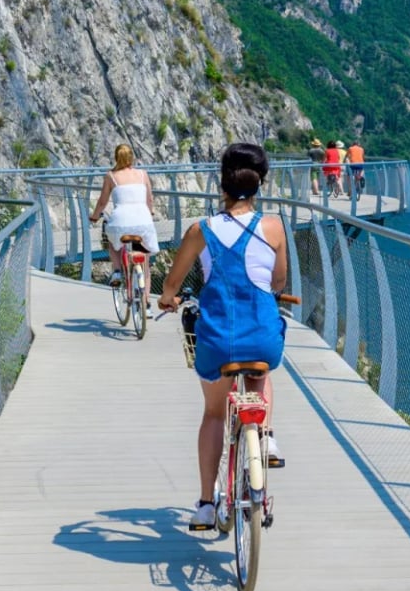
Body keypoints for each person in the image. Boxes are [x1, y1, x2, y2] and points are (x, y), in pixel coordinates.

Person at [158, 142, 289, 531]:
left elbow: (173, 282)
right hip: (261, 336)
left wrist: (168, 298)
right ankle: (265, 437)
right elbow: (278, 281)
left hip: (216, 340)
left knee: (215, 413)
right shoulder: (275, 226)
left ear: (223, 183)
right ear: (260, 182)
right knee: (260, 371)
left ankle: (204, 504)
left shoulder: (201, 229)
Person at [88, 144, 160, 284]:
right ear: (131, 158)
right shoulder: (142, 174)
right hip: (143, 222)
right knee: (145, 265)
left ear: (116, 158)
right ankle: (146, 304)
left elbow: (103, 202)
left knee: (111, 239)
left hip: (120, 223)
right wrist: (149, 212)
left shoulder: (111, 176)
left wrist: (95, 216)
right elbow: (149, 199)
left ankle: (116, 271)